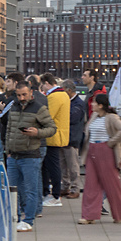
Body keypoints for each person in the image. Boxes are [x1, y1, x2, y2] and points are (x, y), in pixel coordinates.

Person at [0, 80, 57, 232]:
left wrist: (37, 132)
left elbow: (52, 128)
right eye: (18, 95)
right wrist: (7, 150)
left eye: (24, 94)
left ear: (31, 93)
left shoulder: (39, 108)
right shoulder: (14, 107)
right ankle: (15, 217)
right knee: (12, 189)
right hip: (13, 155)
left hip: (31, 155)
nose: (22, 98)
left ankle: (28, 220)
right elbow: (9, 129)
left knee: (30, 189)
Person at [79, 93, 121, 225]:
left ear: (101, 105)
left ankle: (120, 215)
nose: (92, 105)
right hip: (92, 150)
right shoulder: (94, 116)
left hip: (106, 150)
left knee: (112, 183)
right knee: (91, 183)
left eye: (95, 103)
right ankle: (89, 215)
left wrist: (111, 142)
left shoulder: (111, 117)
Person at [40, 74, 74, 207]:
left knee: (52, 166)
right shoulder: (63, 94)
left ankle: (55, 195)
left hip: (52, 136)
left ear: (47, 83)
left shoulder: (54, 96)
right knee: (51, 166)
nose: (41, 88)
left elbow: (47, 115)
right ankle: (51, 193)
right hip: (58, 134)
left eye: (42, 85)